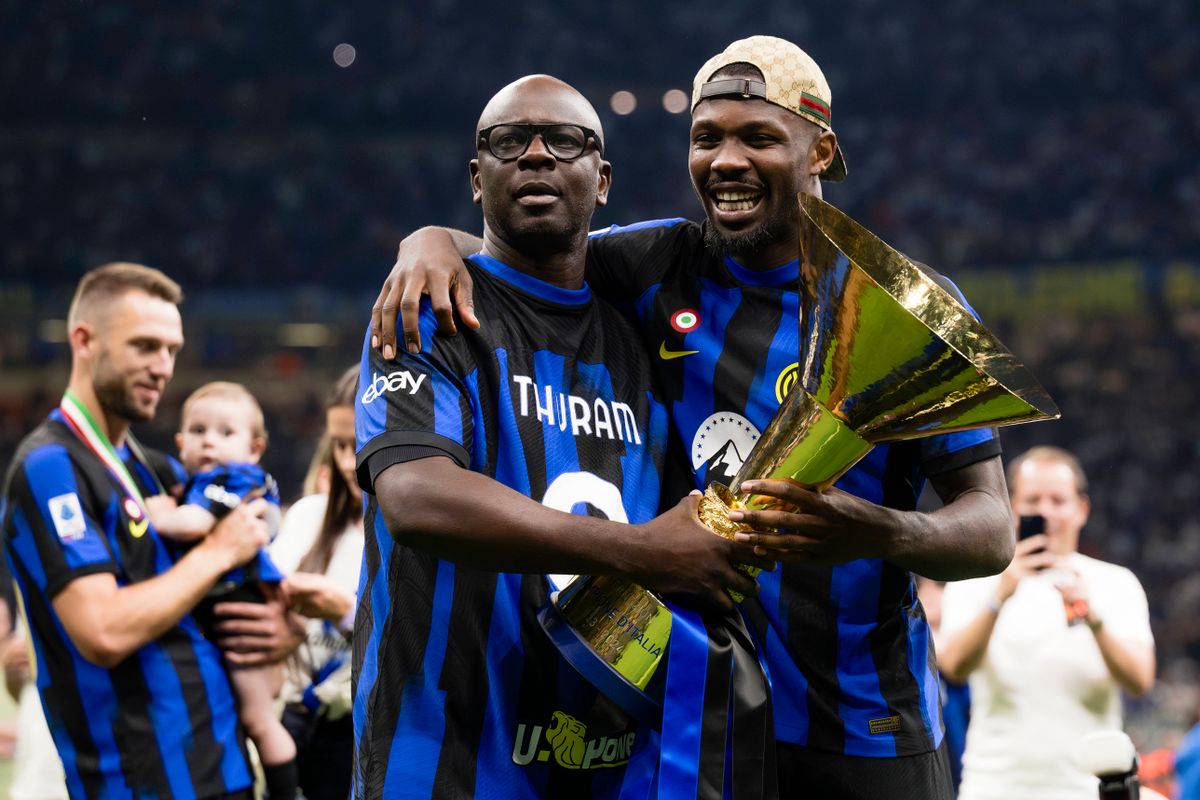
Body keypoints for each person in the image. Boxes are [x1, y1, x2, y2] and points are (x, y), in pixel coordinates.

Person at [370, 35, 1013, 798]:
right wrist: (430, 243)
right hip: (692, 722)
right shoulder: (654, 266)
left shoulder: (900, 310)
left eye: (759, 137)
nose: (726, 160)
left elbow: (991, 528)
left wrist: (878, 532)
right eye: (707, 138)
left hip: (865, 726)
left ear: (820, 149)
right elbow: (528, 242)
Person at [353, 75, 776, 799]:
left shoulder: (640, 339)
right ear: (476, 178)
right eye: (509, 141)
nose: (537, 156)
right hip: (445, 762)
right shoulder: (430, 306)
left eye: (567, 141)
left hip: (606, 760)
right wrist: (644, 552)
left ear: (602, 178)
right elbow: (416, 497)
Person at [0, 262, 272, 799]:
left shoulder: (151, 469)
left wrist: (279, 629)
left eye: (171, 349)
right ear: (84, 341)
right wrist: (216, 552)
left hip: (221, 765)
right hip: (140, 782)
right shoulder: (51, 466)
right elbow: (102, 631)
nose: (163, 366)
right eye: (145, 346)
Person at [939, 446, 1155, 799]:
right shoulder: (977, 580)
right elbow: (954, 666)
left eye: (1058, 500)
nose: (1045, 511)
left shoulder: (1116, 583)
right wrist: (1000, 595)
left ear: (1081, 509)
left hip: (1088, 788)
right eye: (1033, 499)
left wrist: (1092, 616)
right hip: (995, 786)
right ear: (1012, 506)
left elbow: (1140, 680)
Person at [146, 381, 298, 800]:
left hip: (241, 606)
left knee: (258, 718)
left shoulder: (236, 478)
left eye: (226, 433)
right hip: (218, 607)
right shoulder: (199, 481)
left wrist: (150, 511)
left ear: (255, 448)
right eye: (198, 431)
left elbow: (192, 524)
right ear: (180, 443)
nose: (209, 440)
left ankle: (287, 793)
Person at [269, 366, 364, 800]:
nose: (347, 462)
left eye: (358, 443)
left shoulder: (412, 537)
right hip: (289, 721)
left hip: (360, 735)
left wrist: (345, 611)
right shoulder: (308, 515)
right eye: (338, 445)